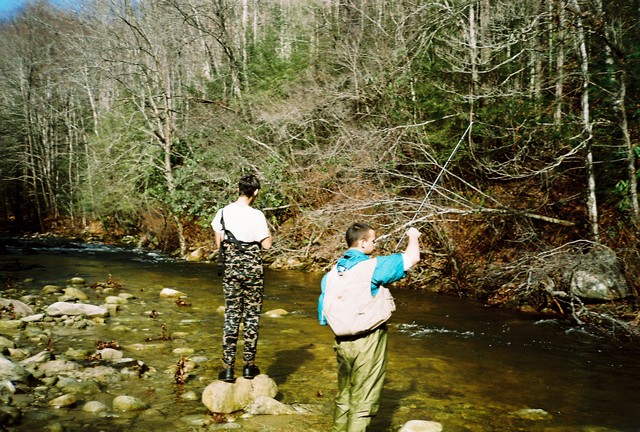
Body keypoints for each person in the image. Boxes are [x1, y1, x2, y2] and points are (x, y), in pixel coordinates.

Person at [318, 222, 421, 432]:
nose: (375, 243)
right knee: (363, 400)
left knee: (344, 395)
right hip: (368, 342)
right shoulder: (373, 267)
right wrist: (413, 236)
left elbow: (323, 315)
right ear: (362, 242)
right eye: (373, 240)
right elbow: (412, 258)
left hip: (341, 343)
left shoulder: (330, 274)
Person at [211, 174, 272, 383]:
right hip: (254, 270)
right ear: (255, 192)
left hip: (231, 270)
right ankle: (248, 367)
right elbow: (267, 245)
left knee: (231, 316)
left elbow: (219, 245)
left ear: (239, 189)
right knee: (252, 317)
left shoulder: (222, 213)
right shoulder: (257, 215)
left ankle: (227, 368)